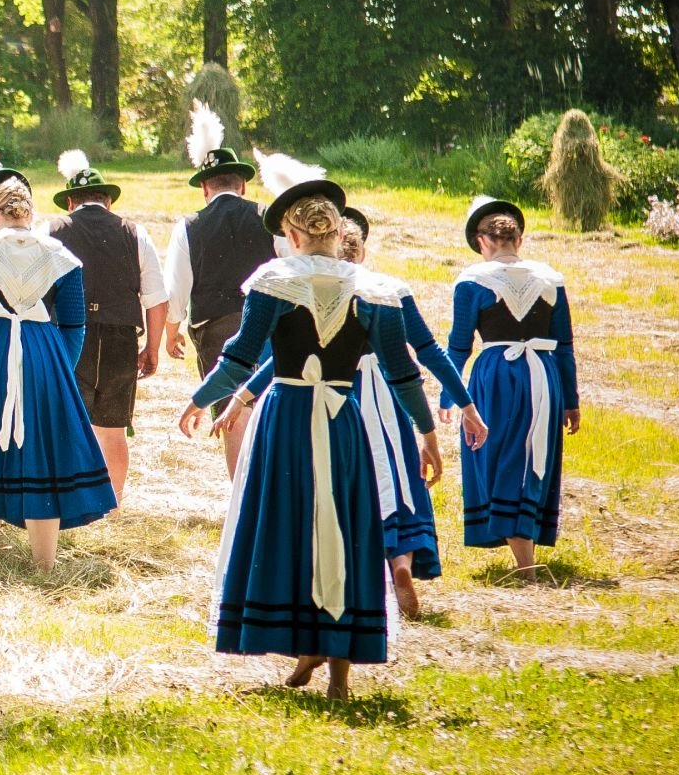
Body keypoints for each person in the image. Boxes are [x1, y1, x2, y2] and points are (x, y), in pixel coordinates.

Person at [178, 159, 440, 700]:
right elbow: (403, 373)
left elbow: (237, 360)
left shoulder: (274, 282)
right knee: (343, 529)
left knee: (294, 528)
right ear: (339, 232)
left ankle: (305, 641)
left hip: (288, 420)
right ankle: (335, 670)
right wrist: (427, 432)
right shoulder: (374, 290)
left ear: (292, 235)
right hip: (344, 423)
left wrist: (199, 400)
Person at [223, 207, 490, 618]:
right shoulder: (382, 291)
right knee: (392, 479)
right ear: (359, 252)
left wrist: (241, 396)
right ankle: (400, 564)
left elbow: (279, 359)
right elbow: (428, 352)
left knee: (327, 491)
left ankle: (325, 587)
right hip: (382, 394)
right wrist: (465, 405)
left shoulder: (299, 287)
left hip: (319, 396)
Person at [0, 165, 116, 569]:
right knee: (42, 457)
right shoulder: (61, 256)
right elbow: (74, 325)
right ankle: (44, 565)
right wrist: (57, 372)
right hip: (43, 352)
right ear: (28, 212)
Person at [450, 197, 578, 583]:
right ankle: (526, 553)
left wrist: (448, 396)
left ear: (482, 241)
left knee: (497, 456)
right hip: (545, 376)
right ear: (518, 240)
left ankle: (526, 567)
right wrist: (571, 402)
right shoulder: (550, 278)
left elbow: (459, 345)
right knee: (531, 455)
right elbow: (565, 344)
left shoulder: (472, 281)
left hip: (497, 377)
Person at [164, 103, 282, 475]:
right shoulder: (270, 217)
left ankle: (240, 496)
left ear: (204, 188)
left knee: (232, 413)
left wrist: (171, 333)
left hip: (216, 329)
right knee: (270, 405)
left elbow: (177, 287)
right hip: (269, 324)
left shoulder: (189, 226)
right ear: (243, 184)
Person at [45, 150, 169, 499]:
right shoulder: (135, 232)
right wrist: (152, 349)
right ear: (108, 202)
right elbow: (157, 298)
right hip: (120, 339)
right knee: (113, 429)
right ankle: (111, 502)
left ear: (70, 202)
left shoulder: (52, 230)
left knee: (69, 425)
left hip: (70, 338)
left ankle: (70, 500)